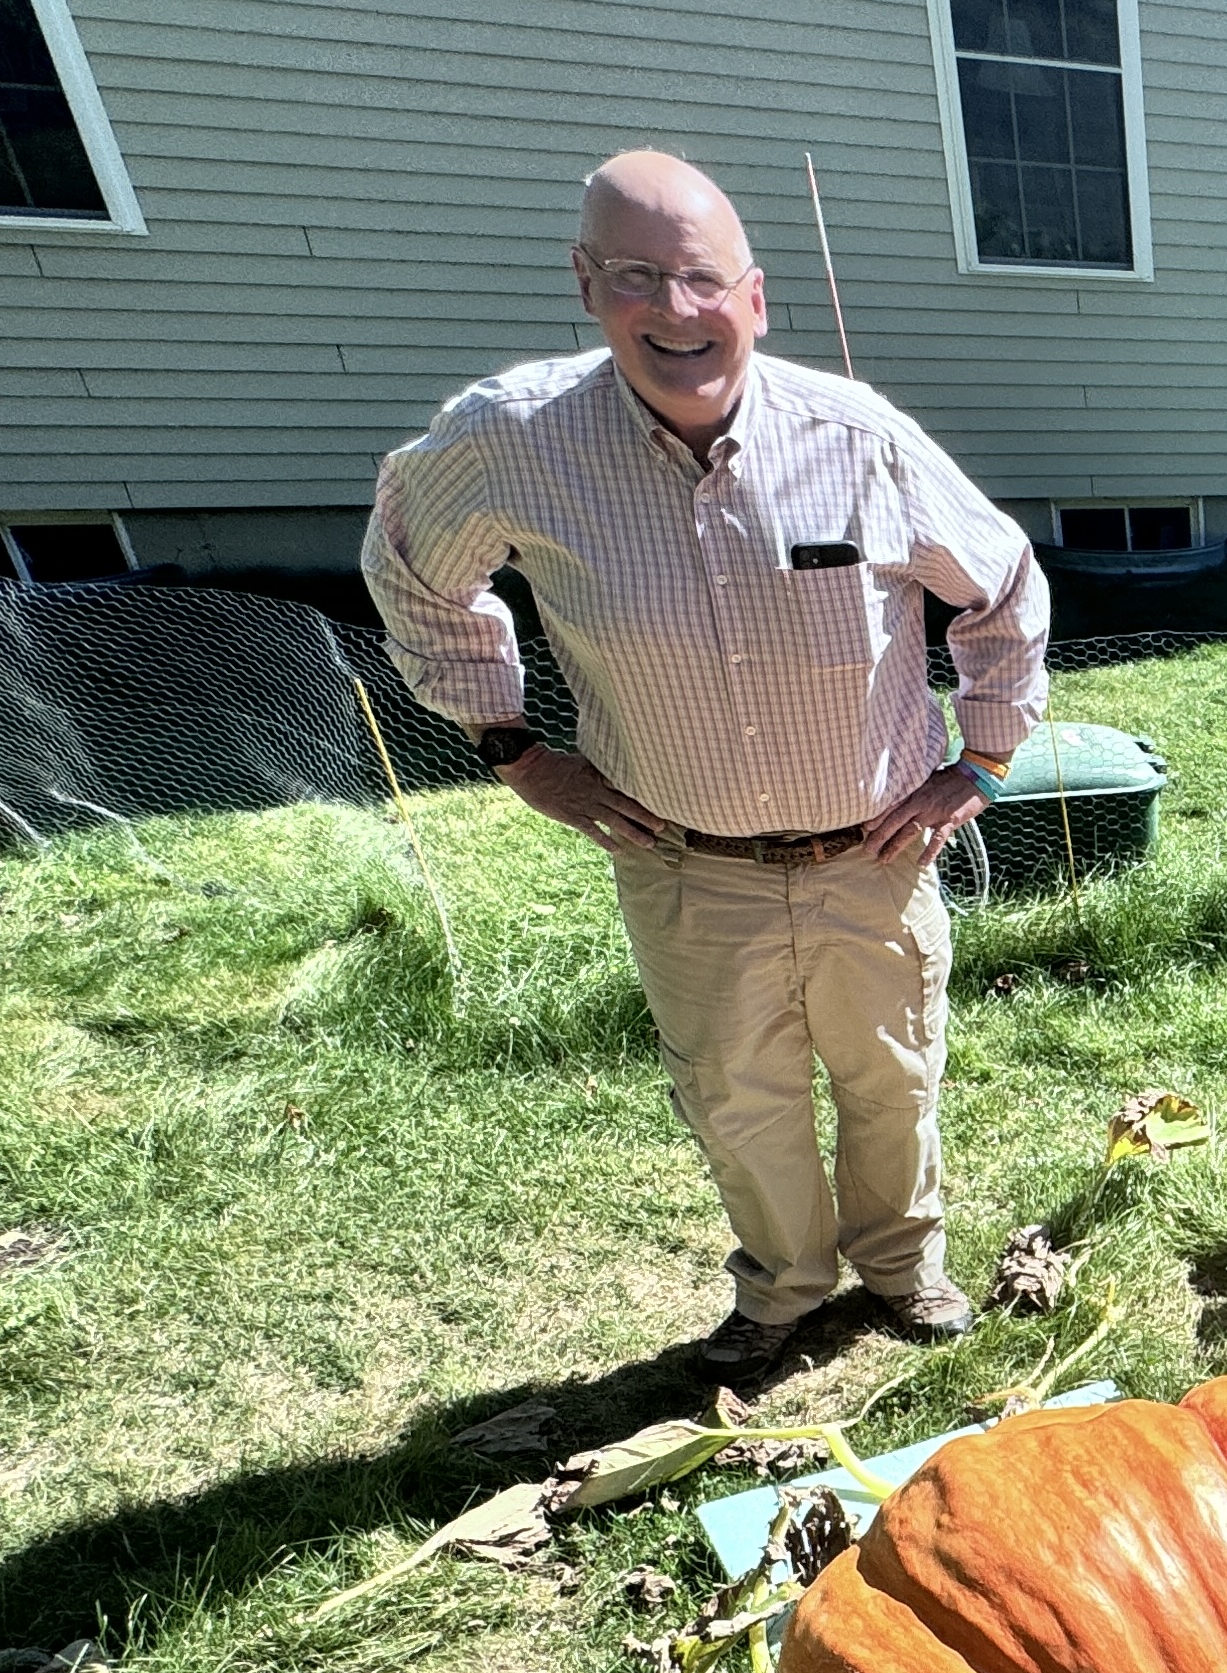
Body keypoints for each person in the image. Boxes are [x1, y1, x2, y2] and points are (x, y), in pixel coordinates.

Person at [364, 149, 1047, 1384]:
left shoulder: (858, 441)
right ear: (586, 285)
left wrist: (979, 759)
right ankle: (782, 1289)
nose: (674, 311)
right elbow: (413, 567)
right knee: (738, 1101)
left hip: (874, 859)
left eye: (700, 279)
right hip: (687, 867)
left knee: (892, 1084)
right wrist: (516, 749)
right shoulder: (510, 443)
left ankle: (902, 1267)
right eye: (636, 277)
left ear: (755, 297)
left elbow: (1002, 586)